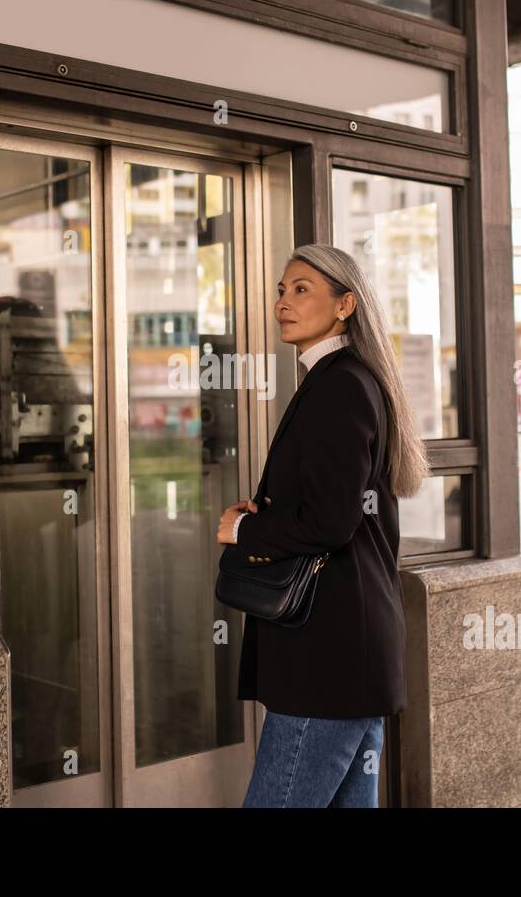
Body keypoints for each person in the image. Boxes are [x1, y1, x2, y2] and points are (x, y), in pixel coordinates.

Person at [215, 244, 427, 808]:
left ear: (345, 305)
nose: (284, 301)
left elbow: (331, 523)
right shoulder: (341, 381)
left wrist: (242, 533)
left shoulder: (339, 386)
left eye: (302, 288)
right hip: (351, 657)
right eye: (281, 290)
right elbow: (336, 508)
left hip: (327, 661)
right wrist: (269, 513)